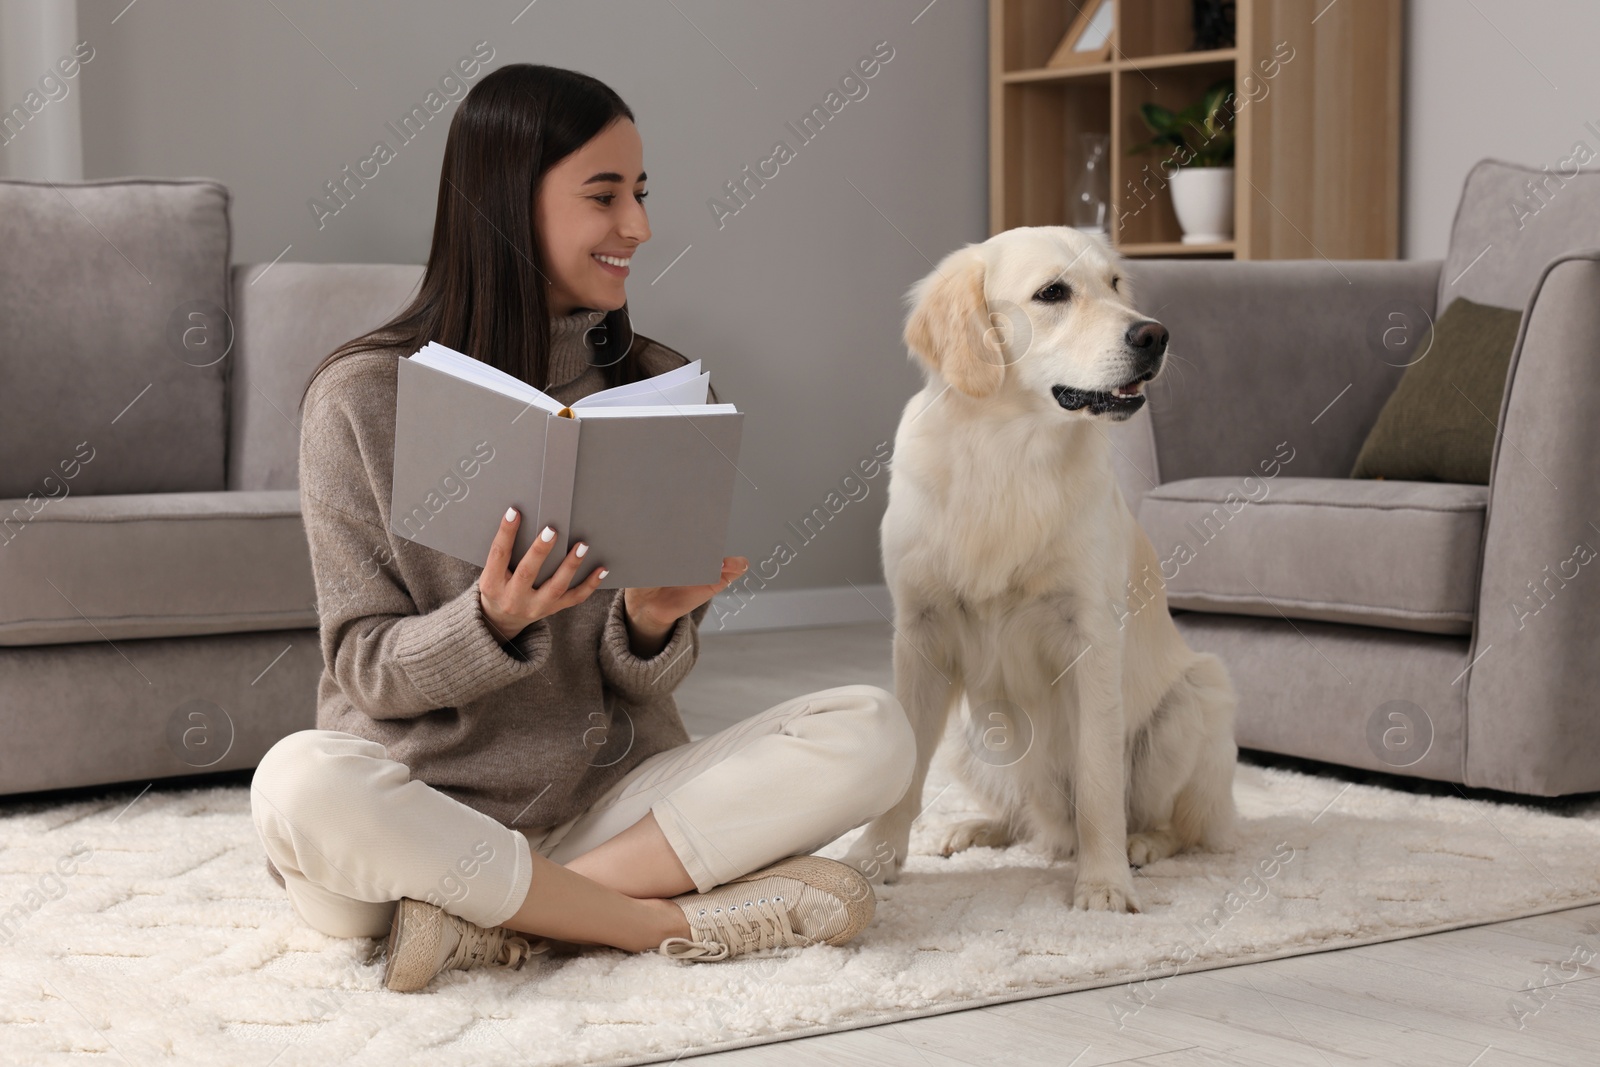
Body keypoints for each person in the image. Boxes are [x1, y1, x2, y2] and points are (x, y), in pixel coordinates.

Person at [249, 63, 916, 994]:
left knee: (871, 729)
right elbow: (362, 663)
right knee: (297, 780)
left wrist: (651, 622)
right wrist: (489, 622)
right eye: (604, 196)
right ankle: (653, 926)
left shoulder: (662, 388)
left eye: (640, 194)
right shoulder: (360, 399)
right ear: (505, 205)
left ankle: (493, 922)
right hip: (416, 825)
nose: (638, 227)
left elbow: (649, 676)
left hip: (607, 808)